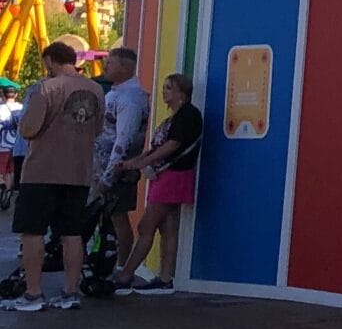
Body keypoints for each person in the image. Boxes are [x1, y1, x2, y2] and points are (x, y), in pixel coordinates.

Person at [11, 39, 105, 311]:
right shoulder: (96, 90)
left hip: (42, 169)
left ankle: (33, 292)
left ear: (50, 60)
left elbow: (28, 129)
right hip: (78, 171)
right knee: (72, 233)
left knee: (32, 232)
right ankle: (69, 292)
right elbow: (97, 129)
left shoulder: (46, 88)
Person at [112, 72, 201, 294]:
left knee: (146, 225)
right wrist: (136, 161)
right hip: (168, 175)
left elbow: (171, 146)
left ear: (182, 93)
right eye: (164, 87)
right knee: (167, 226)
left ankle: (126, 275)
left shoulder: (187, 115)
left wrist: (143, 162)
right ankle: (164, 278)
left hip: (172, 175)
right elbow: (159, 146)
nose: (164, 91)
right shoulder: (176, 116)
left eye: (169, 88)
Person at [92, 46, 149, 282]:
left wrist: (108, 176)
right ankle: (105, 262)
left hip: (117, 171)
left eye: (110, 63)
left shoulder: (130, 99)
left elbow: (123, 140)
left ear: (125, 67)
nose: (105, 68)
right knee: (106, 219)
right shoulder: (115, 93)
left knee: (118, 218)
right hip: (102, 167)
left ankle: (122, 268)